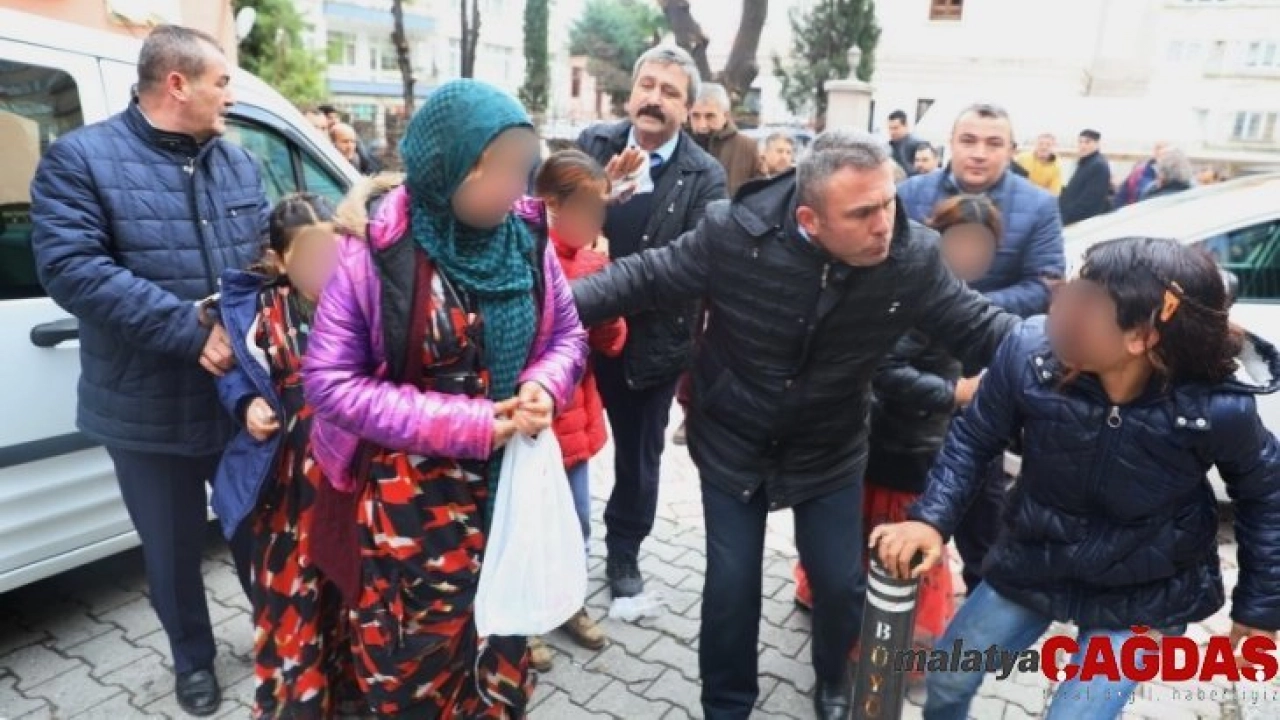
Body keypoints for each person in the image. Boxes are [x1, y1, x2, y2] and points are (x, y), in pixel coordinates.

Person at [573, 129, 1020, 720]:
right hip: (732, 438)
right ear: (810, 219)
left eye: (887, 203)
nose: (884, 225)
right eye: (861, 214)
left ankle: (832, 679)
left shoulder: (911, 258)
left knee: (839, 584)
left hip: (830, 445)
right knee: (731, 588)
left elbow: (984, 327)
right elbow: (646, 277)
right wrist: (548, 306)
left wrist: (1061, 359)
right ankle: (726, 705)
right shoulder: (734, 232)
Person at [873, 236, 1280, 719]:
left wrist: (1258, 608)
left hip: (1144, 590)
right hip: (1036, 556)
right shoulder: (1028, 355)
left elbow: (1266, 496)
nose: (1061, 313)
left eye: (1088, 307)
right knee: (947, 680)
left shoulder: (1217, 408)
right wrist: (931, 519)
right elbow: (975, 436)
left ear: (1142, 337)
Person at [302, 78, 587, 718]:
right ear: (451, 168)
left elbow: (566, 335)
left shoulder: (527, 239)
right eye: (504, 171)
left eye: (523, 168)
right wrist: (468, 424)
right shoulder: (374, 250)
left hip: (509, 497)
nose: (517, 188)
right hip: (411, 514)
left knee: (499, 651)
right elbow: (330, 382)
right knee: (414, 670)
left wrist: (544, 384)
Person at [29, 25, 264, 717]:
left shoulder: (237, 163)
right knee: (171, 550)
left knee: (257, 530)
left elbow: (262, 260)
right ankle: (193, 661)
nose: (230, 95)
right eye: (222, 81)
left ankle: (281, 635)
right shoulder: (80, 159)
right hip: (145, 405)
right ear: (177, 84)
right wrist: (190, 331)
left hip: (237, 399)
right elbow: (73, 269)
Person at [792, 195, 1003, 635]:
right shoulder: (918, 299)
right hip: (894, 445)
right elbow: (884, 371)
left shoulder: (964, 300)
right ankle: (885, 637)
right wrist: (954, 393)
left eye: (981, 245)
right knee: (887, 545)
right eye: (961, 241)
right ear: (937, 240)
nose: (970, 253)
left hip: (923, 443)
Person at [575, 45, 727, 599]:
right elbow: (552, 215)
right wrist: (599, 196)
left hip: (651, 345)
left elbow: (694, 264)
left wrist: (605, 287)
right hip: (576, 333)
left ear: (687, 108)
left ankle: (623, 551)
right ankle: (562, 547)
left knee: (638, 458)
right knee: (562, 444)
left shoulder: (704, 175)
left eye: (670, 92)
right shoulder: (594, 144)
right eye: (648, 85)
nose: (654, 99)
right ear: (632, 90)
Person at [896, 103, 1065, 594]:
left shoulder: (1037, 205)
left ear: (1012, 151)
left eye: (993, 143)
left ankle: (980, 600)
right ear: (951, 143)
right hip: (908, 374)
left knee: (982, 505)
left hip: (988, 377)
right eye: (968, 140)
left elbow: (1044, 286)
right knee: (900, 497)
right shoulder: (910, 194)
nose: (979, 152)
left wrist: (955, 306)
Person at [211, 193, 356, 718]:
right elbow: (232, 372)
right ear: (278, 261)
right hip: (288, 490)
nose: (325, 268)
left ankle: (351, 696)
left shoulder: (361, 301)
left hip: (351, 482)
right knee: (295, 597)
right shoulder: (258, 312)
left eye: (333, 253)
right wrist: (245, 403)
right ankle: (301, 701)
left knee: (351, 589)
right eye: (309, 256)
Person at [523, 150, 627, 671]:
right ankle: (524, 623)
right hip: (532, 424)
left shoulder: (593, 261)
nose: (596, 222)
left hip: (578, 421)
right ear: (550, 205)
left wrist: (605, 297)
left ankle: (568, 603)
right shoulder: (521, 258)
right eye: (588, 209)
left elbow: (612, 342)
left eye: (601, 210)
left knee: (577, 524)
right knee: (528, 528)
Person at [690, 82, 765, 195]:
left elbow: (762, 194)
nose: (702, 125)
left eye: (710, 116)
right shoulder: (678, 145)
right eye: (695, 116)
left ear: (725, 116)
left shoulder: (747, 148)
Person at [1059, 129, 1113, 224]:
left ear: (1097, 144)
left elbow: (1090, 200)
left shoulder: (1098, 166)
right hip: (1068, 217)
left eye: (1087, 142)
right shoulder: (1085, 162)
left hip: (1080, 222)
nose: (1082, 145)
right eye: (1080, 142)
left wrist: (1067, 218)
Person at [1113, 141, 1168, 208]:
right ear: (1155, 152)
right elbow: (1124, 194)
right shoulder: (1142, 171)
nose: (1166, 157)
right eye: (1164, 153)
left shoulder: (1169, 172)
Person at [887, 109, 926, 177]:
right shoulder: (889, 146)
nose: (892, 132)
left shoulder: (918, 144)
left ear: (906, 126)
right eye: (890, 128)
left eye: (895, 128)